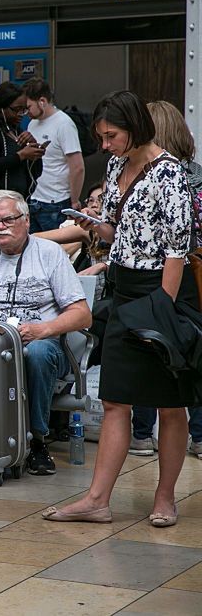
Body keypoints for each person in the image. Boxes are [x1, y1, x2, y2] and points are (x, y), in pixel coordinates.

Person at [45, 91, 196, 527]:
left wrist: (164, 310)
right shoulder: (116, 165)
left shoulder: (170, 173)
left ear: (135, 127)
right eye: (102, 137)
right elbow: (116, 228)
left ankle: (165, 497)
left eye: (111, 136)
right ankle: (97, 498)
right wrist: (95, 226)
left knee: (171, 403)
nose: (106, 145)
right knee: (114, 399)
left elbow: (176, 248)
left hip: (161, 292)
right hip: (124, 287)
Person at [0, 189, 91, 475]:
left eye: (7, 220)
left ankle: (37, 440)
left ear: (27, 220)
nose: (0, 227)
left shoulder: (49, 253)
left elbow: (82, 315)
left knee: (37, 352)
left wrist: (43, 329)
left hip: (40, 344)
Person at [128, 100, 202, 459]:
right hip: (192, 280)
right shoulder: (197, 177)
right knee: (189, 357)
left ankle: (141, 433)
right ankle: (200, 436)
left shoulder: (158, 176)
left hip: (163, 278)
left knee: (151, 350)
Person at [25, 78, 86, 232]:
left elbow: (77, 166)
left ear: (42, 101)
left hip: (56, 201)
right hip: (34, 199)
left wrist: (74, 200)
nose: (27, 112)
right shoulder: (33, 124)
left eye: (29, 107)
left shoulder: (64, 124)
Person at [0, 82, 45, 204]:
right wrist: (20, 155)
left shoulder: (17, 130)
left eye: (24, 109)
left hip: (16, 202)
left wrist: (34, 150)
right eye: (16, 110)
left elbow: (36, 173)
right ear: (1, 108)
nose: (21, 114)